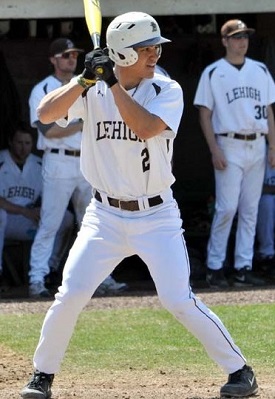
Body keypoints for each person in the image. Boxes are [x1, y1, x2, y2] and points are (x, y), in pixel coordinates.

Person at [21, 12, 258, 399]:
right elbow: (45, 115)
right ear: (121, 53)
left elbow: (145, 128)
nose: (154, 54)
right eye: (145, 48)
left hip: (156, 215)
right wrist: (83, 80)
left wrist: (110, 81)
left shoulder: (167, 89)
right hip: (104, 216)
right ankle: (41, 375)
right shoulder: (93, 88)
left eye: (155, 47)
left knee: (178, 299)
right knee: (70, 294)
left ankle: (240, 370)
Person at [194, 19, 275, 288]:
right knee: (227, 207)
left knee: (250, 209)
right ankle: (215, 266)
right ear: (225, 41)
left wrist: (273, 146)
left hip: (257, 142)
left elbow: (269, 111)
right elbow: (204, 114)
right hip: (228, 142)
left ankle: (243, 265)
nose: (242, 42)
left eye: (245, 37)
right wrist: (213, 148)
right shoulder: (214, 72)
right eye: (237, 37)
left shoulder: (260, 70)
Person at [28, 37, 93, 297]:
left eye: (74, 55)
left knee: (93, 224)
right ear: (53, 59)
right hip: (57, 160)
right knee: (50, 223)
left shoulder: (87, 85)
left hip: (87, 160)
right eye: (65, 55)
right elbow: (49, 130)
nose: (71, 59)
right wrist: (82, 123)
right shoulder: (43, 88)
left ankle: (99, 279)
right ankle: (37, 278)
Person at [0, 124, 74, 290]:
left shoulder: (40, 164)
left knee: (67, 218)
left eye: (27, 143)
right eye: (19, 142)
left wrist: (40, 210)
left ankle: (50, 269)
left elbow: (51, 195)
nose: (23, 147)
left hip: (28, 219)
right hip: (8, 220)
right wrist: (23, 211)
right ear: (11, 142)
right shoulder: (2, 160)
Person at [255, 143, 275, 278]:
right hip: (260, 199)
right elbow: (256, 188)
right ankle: (267, 255)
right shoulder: (261, 148)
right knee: (267, 202)